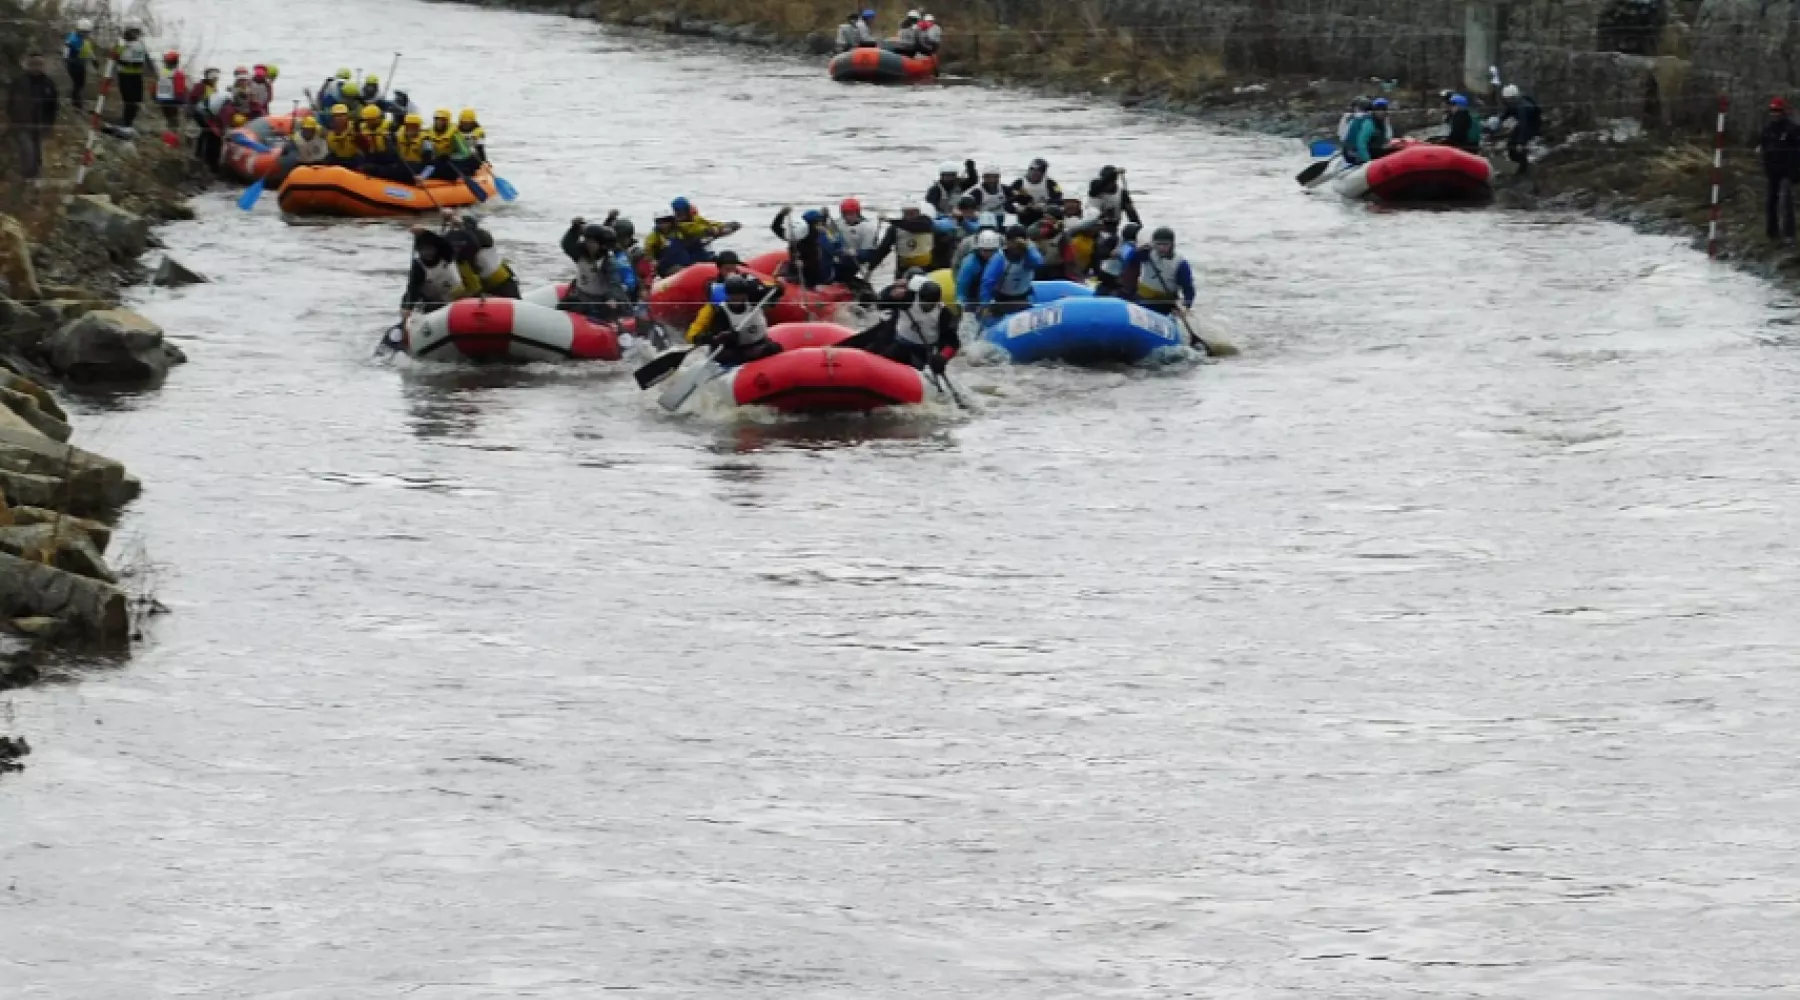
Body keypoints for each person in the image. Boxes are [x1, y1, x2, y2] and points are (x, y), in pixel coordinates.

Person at [860, 278, 959, 373]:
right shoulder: (908, 297)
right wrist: (890, 293)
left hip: (921, 352)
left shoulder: (943, 314)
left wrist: (942, 357)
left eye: (930, 304)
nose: (926, 307)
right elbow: (882, 304)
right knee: (883, 359)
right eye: (923, 303)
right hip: (899, 344)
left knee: (915, 367)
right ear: (919, 296)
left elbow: (953, 342)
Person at [687, 274, 782, 367]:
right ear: (728, 295)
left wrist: (779, 289)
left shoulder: (755, 302)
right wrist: (723, 337)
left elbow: (772, 293)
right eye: (733, 295)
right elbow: (717, 335)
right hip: (738, 351)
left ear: (745, 294)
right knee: (730, 354)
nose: (737, 298)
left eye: (740, 295)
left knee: (775, 348)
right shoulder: (720, 312)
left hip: (760, 343)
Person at [561, 219, 638, 320]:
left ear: (602, 245)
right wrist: (574, 229)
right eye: (587, 240)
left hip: (598, 300)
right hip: (580, 296)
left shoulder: (609, 263)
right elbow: (566, 245)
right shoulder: (579, 254)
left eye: (592, 242)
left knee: (604, 313)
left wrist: (612, 298)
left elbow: (614, 282)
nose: (588, 244)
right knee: (563, 306)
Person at [400, 229, 476, 324]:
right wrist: (407, 308)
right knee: (407, 298)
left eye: (430, 249)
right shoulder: (418, 266)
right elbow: (412, 289)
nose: (428, 253)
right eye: (423, 250)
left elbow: (443, 242)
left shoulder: (446, 255)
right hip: (434, 301)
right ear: (419, 251)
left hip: (456, 297)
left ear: (436, 248)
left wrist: (424, 231)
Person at [5, 52, 59, 186]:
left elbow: (53, 106)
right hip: (22, 124)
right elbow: (10, 102)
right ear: (28, 65)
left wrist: (49, 125)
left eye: (39, 64)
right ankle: (27, 177)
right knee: (27, 150)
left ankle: (34, 178)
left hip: (40, 125)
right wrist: (12, 118)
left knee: (36, 151)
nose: (36, 67)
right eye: (33, 64)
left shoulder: (49, 84)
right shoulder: (19, 82)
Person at [1123, 226, 1195, 316]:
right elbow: (1129, 260)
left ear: (1172, 245)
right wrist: (1137, 251)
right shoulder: (1147, 253)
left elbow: (1188, 288)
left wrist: (1186, 306)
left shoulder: (1180, 264)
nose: (1161, 248)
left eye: (1165, 245)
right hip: (1143, 300)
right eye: (1158, 244)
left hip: (1164, 304)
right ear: (1153, 244)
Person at [978, 225, 1042, 319]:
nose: (1016, 247)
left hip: (1024, 297)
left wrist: (1027, 248)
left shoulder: (1030, 253)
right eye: (1013, 243)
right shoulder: (999, 258)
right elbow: (988, 282)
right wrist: (985, 304)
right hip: (1004, 299)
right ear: (1007, 242)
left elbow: (1038, 263)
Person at [1759, 98, 1800, 243]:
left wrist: (1795, 172)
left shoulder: (1793, 129)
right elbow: (1763, 149)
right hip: (1772, 172)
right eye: (1772, 111)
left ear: (1783, 112)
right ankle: (1772, 232)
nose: (1774, 114)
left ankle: (1789, 234)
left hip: (1788, 171)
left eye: (1777, 111)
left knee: (1786, 201)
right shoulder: (1767, 130)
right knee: (1771, 201)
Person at [867, 202, 939, 278]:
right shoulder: (895, 229)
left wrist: (889, 220)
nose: (910, 216)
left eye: (913, 213)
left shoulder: (926, 223)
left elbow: (914, 227)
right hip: (903, 269)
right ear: (903, 213)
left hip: (926, 268)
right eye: (907, 213)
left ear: (919, 213)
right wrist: (871, 268)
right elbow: (883, 249)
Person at [771, 207, 837, 288]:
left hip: (811, 274)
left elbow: (814, 260)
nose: (821, 227)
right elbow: (775, 228)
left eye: (820, 224)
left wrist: (825, 215)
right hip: (796, 271)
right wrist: (782, 214)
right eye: (818, 224)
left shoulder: (816, 235)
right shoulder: (797, 234)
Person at [113, 20, 156, 129]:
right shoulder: (122, 43)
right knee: (129, 99)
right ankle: (126, 122)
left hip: (137, 75)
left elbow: (147, 57)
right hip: (125, 74)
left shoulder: (140, 43)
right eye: (133, 31)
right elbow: (114, 56)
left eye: (137, 32)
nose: (135, 34)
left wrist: (154, 72)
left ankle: (129, 121)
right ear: (128, 31)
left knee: (137, 100)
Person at [830, 197, 881, 282]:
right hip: (841, 256)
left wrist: (856, 252)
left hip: (857, 260)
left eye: (851, 213)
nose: (848, 216)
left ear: (857, 213)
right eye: (845, 213)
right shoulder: (837, 224)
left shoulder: (868, 228)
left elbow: (870, 254)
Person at [1495, 83, 1541, 176]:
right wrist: (1499, 119)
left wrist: (1520, 142)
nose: (1506, 101)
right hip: (1524, 125)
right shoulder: (1515, 103)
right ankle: (1518, 167)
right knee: (1511, 145)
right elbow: (1509, 111)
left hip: (1530, 126)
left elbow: (1524, 125)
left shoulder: (1522, 107)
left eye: (1507, 99)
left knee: (1517, 148)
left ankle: (1523, 170)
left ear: (1511, 98)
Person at [955, 229, 1001, 304]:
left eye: (991, 250)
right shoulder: (970, 263)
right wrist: (961, 303)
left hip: (993, 299)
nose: (988, 254)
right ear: (979, 248)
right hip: (973, 299)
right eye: (985, 250)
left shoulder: (1000, 258)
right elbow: (961, 286)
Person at [1094, 221, 1138, 297]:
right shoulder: (1114, 240)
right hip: (1109, 275)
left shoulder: (1137, 246)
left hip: (1124, 279)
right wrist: (1110, 254)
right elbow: (1099, 252)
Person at [153, 51, 187, 131]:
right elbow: (180, 90)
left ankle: (170, 134)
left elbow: (156, 86)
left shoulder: (162, 72)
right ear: (176, 62)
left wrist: (155, 96)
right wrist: (182, 101)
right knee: (173, 120)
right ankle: (172, 135)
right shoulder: (178, 74)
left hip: (163, 100)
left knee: (169, 119)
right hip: (173, 101)